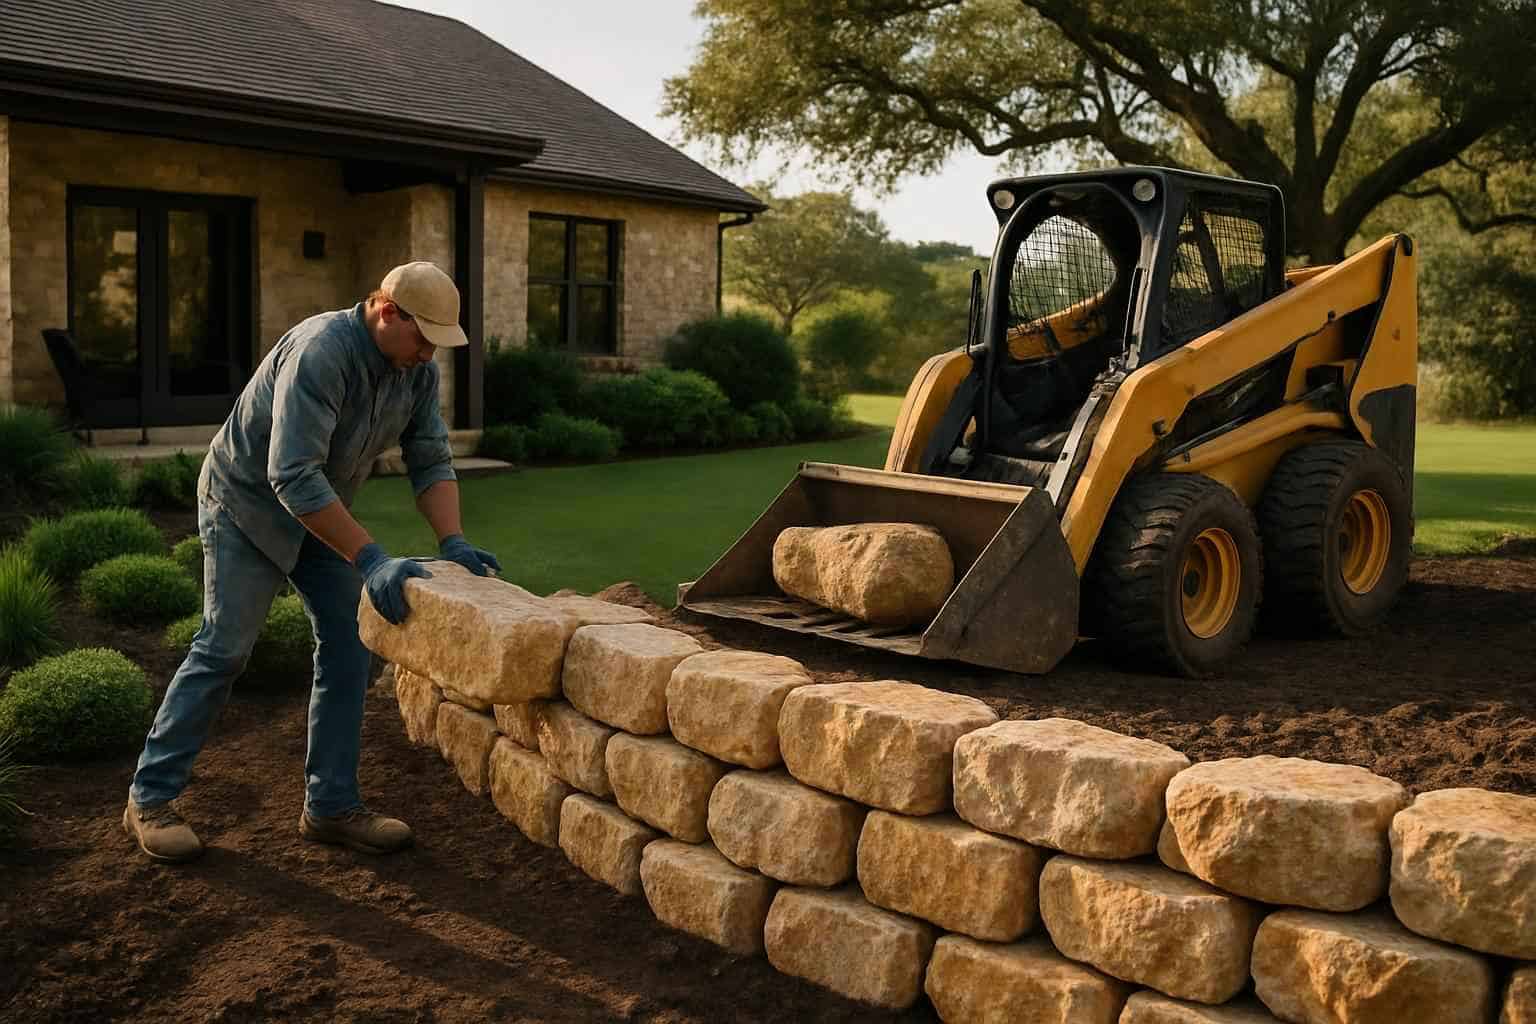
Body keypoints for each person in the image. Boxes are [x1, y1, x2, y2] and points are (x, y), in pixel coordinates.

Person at [123, 261, 500, 863]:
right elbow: (291, 475)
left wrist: (453, 540)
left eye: (438, 343)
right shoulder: (321, 351)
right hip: (245, 508)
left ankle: (330, 807)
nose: (430, 354)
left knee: (351, 647)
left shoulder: (415, 374)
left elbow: (430, 459)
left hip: (318, 518)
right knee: (224, 648)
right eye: (423, 338)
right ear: (387, 311)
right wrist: (370, 556)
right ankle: (150, 798)